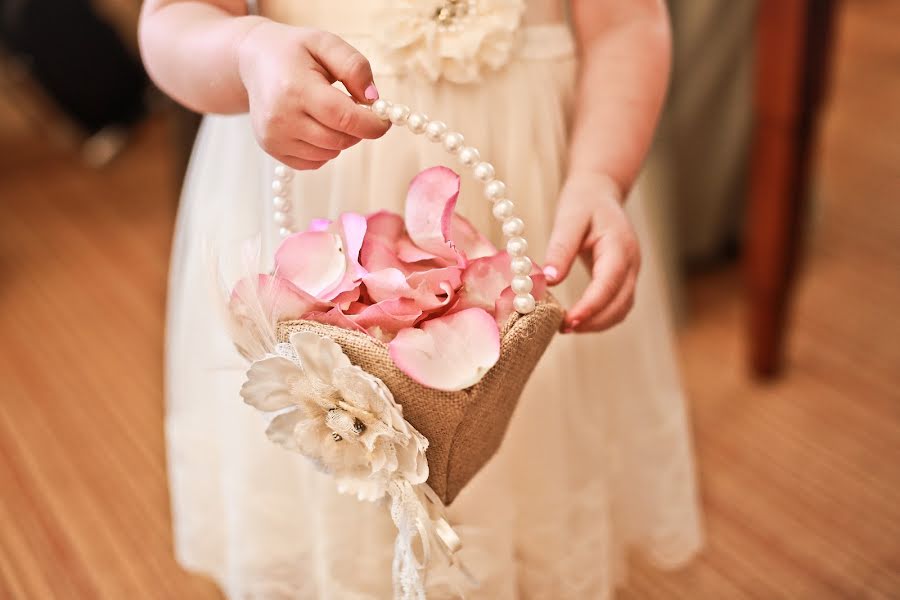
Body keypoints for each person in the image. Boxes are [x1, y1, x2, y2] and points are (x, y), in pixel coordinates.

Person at [139, 1, 703, 597]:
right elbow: (176, 18)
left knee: (524, 449)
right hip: (315, 178)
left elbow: (625, 24)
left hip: (532, 179)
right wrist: (247, 50)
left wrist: (601, 176)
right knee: (338, 459)